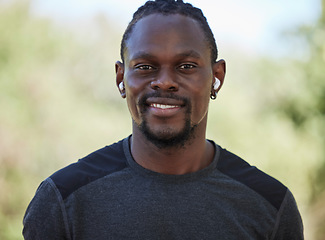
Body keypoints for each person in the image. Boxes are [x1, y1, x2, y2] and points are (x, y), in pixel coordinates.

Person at [23, 0, 304, 239]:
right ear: (121, 79)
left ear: (216, 78)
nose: (165, 82)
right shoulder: (63, 199)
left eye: (186, 66)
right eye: (145, 67)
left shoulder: (270, 206)